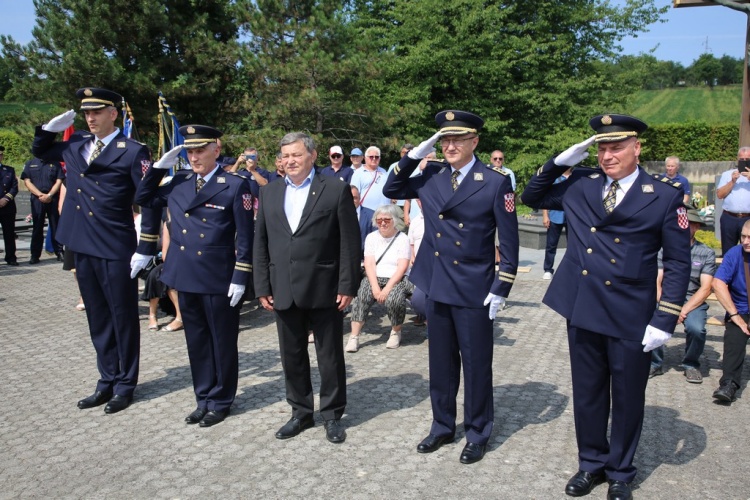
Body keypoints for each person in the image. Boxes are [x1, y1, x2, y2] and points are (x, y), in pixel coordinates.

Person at [520, 113, 690, 500]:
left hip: (631, 310)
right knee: (588, 391)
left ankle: (620, 472)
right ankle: (591, 465)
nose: (607, 155)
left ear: (637, 148)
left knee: (628, 396)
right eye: (601, 148)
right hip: (584, 305)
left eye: (616, 147)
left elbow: (679, 262)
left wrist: (665, 316)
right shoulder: (581, 184)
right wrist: (560, 161)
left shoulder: (663, 195)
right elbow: (531, 196)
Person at [383, 110, 519, 465]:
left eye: (458, 139)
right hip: (438, 281)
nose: (450, 146)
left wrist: (502, 285)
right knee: (440, 363)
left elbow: (510, 237)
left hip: (474, 286)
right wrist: (415, 155)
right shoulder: (431, 175)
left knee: (476, 364)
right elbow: (392, 188)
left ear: (475, 141)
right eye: (444, 139)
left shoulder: (494, 181)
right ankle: (442, 425)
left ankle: (477, 432)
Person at [32, 88, 162, 414]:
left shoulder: (133, 151)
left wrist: (146, 246)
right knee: (98, 317)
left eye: (97, 112)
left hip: (114, 246)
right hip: (81, 243)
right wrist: (48, 129)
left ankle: (125, 384)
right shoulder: (76, 144)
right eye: (86, 113)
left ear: (113, 114)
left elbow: (149, 199)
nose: (90, 118)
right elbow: (41, 152)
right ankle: (106, 380)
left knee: (123, 317)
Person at [135, 125, 254, 427]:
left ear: (216, 149)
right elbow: (144, 197)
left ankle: (222, 400)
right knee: (197, 341)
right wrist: (159, 167)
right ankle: (204, 398)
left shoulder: (234, 184)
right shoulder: (180, 181)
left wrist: (241, 275)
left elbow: (245, 234)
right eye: (189, 151)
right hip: (185, 273)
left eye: (200, 150)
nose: (195, 156)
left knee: (221, 342)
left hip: (217, 276)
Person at [253, 131, 360, 444]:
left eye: (296, 155)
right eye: (285, 156)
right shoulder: (269, 192)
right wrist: (262, 285)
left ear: (313, 156)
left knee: (329, 356)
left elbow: (349, 243)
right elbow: (261, 242)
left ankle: (331, 414)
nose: (290, 161)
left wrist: (347, 284)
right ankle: (300, 412)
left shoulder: (335, 189)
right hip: (282, 287)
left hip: (325, 287)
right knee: (292, 355)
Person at [649, 206, 715, 383]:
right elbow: (657, 281)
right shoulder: (663, 250)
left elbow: (705, 288)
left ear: (697, 227)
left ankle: (691, 364)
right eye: (682, 223)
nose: (685, 228)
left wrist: (683, 310)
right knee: (651, 319)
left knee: (696, 329)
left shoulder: (706, 253)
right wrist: (667, 307)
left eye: (690, 224)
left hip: (692, 300)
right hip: (666, 297)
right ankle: (654, 362)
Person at [346, 204, 411, 352]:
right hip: (374, 277)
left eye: (387, 219)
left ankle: (396, 331)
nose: (382, 223)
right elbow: (369, 264)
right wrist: (375, 287)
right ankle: (354, 336)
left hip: (396, 279)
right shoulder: (371, 237)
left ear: (394, 220)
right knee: (362, 295)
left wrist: (387, 289)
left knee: (394, 299)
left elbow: (402, 267)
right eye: (379, 219)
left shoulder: (403, 239)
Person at [711, 219, 750, 404]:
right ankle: (729, 384)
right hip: (741, 310)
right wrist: (734, 315)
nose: (745, 241)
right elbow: (718, 283)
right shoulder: (735, 253)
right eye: (743, 236)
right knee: (734, 339)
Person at [20, 156, 65, 264]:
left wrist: (49, 195)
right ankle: (35, 255)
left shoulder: (55, 163)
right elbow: (27, 181)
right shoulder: (30, 163)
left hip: (52, 198)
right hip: (37, 199)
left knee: (55, 226)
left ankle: (59, 252)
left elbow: (59, 180)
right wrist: (40, 195)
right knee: (37, 227)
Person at [716, 147, 750, 255]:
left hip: (748, 217)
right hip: (729, 217)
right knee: (728, 251)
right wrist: (732, 181)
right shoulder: (727, 174)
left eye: (747, 159)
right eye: (742, 159)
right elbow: (720, 195)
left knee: (748, 250)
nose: (744, 161)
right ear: (737, 159)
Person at [541, 168, 572, 280]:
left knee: (573, 245)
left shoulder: (576, 176)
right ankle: (548, 269)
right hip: (555, 215)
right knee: (551, 244)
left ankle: (571, 270)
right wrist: (545, 215)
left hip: (571, 216)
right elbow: (547, 196)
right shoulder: (554, 177)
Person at [350, 146, 390, 211]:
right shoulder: (358, 173)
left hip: (384, 213)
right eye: (371, 157)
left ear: (379, 159)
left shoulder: (384, 172)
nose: (374, 159)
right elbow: (353, 194)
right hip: (366, 213)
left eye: (376, 157)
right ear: (365, 158)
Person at [0, 146, 19, 266]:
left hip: (7, 207)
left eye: (1, 155)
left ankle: (11, 257)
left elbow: (14, 187)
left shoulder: (9, 170)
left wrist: (6, 199)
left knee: (9, 234)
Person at [352, 185, 376, 253]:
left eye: (354, 198)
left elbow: (376, 238)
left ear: (359, 198)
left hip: (365, 256)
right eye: (348, 198)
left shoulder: (371, 215)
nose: (351, 201)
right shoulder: (338, 215)